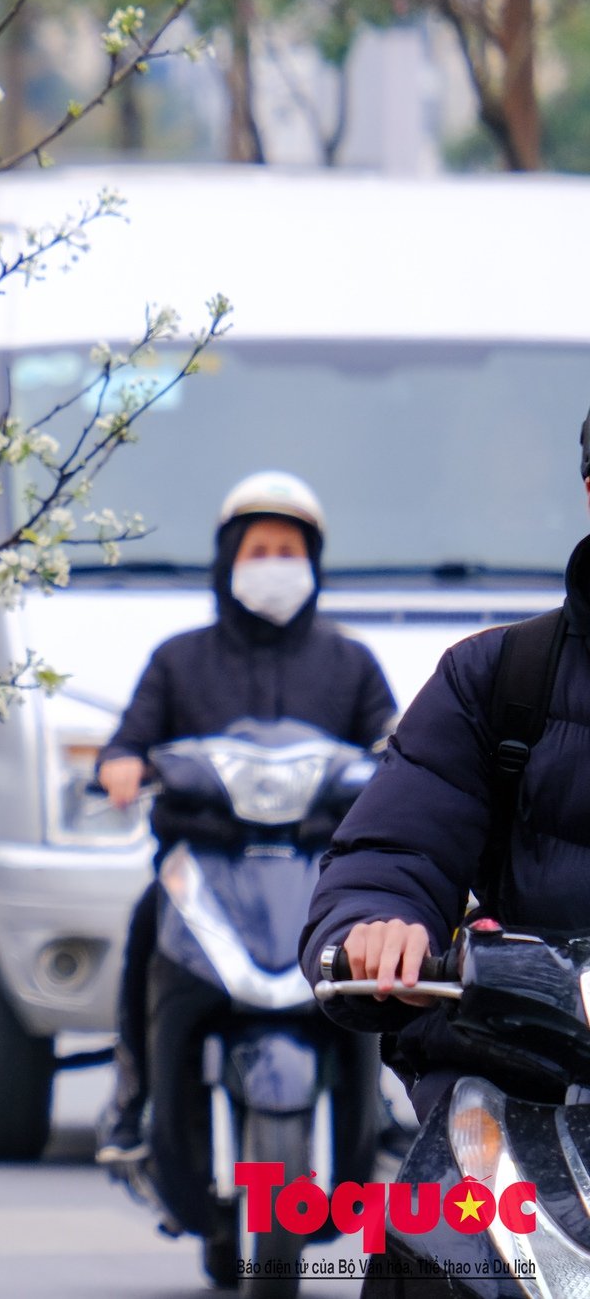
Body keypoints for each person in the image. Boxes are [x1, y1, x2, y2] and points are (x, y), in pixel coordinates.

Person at [93, 472, 395, 1166]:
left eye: (288, 549)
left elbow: (393, 735)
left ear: (313, 562)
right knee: (146, 929)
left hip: (321, 868)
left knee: (384, 944)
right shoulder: (179, 659)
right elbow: (129, 738)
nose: (274, 564)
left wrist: (400, 750)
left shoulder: (348, 661)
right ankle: (133, 1093)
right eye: (259, 548)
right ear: (228, 557)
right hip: (203, 866)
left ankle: (378, 1095)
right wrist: (121, 762)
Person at [301, 413, 590, 1123]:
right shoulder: (498, 676)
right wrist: (380, 923)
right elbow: (394, 852)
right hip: (526, 1095)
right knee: (436, 1230)